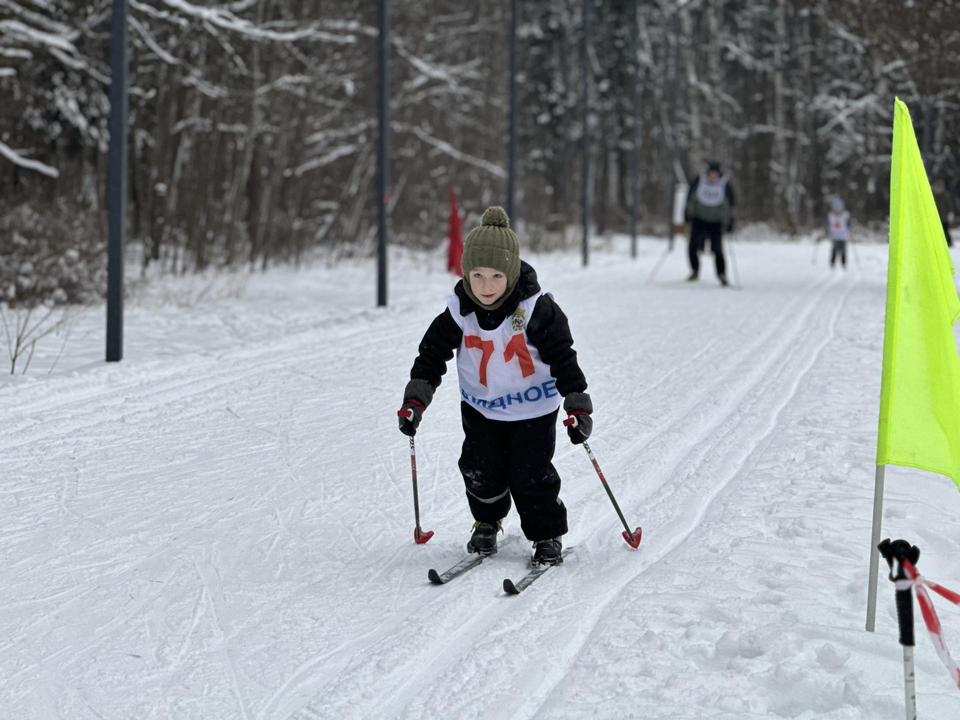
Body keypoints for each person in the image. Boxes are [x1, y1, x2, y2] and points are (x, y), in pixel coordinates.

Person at [397, 206, 591, 566]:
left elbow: (563, 355)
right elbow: (431, 355)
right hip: (481, 407)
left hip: (532, 408)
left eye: (497, 276)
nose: (486, 286)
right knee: (479, 468)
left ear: (512, 273)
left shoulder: (536, 309)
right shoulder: (459, 311)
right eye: (478, 275)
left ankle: (546, 532)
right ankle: (487, 521)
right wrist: (416, 400)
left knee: (530, 473)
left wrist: (577, 404)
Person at [685, 161, 736, 286]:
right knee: (693, 247)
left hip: (716, 221)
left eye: (715, 174)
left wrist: (731, 221)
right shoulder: (699, 181)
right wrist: (686, 214)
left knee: (717, 250)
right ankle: (694, 271)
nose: (712, 176)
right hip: (699, 219)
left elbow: (731, 204)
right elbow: (689, 198)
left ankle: (721, 275)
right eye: (711, 173)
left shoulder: (724, 185)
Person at [827, 197, 851, 269]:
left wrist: (849, 224)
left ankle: (843, 263)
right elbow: (828, 224)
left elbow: (849, 224)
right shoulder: (831, 215)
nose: (837, 209)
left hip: (843, 236)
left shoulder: (845, 215)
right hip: (834, 236)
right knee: (834, 250)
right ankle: (832, 263)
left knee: (843, 251)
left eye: (838, 207)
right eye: (835, 207)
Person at [932, 179, 954, 247]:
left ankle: (949, 242)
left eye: (939, 187)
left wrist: (950, 213)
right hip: (937, 217)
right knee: (938, 230)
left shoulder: (945, 196)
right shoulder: (933, 196)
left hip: (944, 217)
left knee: (946, 230)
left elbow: (950, 205)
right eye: (936, 187)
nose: (937, 189)